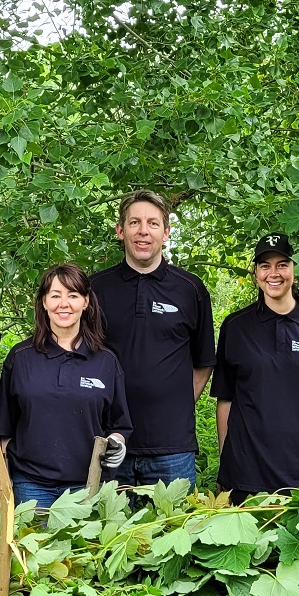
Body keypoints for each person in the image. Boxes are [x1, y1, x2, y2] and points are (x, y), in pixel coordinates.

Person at [90, 190, 216, 489]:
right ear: (121, 231)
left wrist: (176, 406)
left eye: (153, 223)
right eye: (134, 223)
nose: (143, 231)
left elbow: (204, 362)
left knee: (175, 533)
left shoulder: (189, 289)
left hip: (172, 447)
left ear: (166, 232)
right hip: (108, 443)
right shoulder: (95, 289)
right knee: (108, 534)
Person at [213, 234, 299, 497]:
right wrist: (226, 463)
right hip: (246, 475)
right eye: (265, 265)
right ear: (255, 273)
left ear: (294, 270)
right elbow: (226, 400)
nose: (273, 273)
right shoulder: (235, 327)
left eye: (282, 264)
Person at [0, 264, 133, 511]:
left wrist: (116, 443)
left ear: (86, 302)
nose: (63, 304)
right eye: (55, 295)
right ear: (44, 302)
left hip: (88, 486)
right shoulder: (21, 358)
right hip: (31, 485)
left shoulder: (106, 361)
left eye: (73, 295)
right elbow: (4, 430)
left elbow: (119, 425)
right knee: (32, 550)